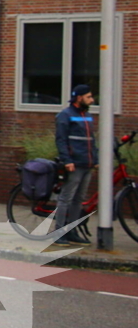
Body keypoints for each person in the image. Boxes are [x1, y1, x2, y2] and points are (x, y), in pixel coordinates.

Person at [53, 84, 97, 245]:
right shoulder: (65, 115)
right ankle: (59, 233)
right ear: (79, 98)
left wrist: (96, 160)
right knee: (66, 198)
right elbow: (61, 140)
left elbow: (92, 140)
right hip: (75, 164)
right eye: (89, 97)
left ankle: (71, 231)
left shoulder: (87, 115)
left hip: (87, 163)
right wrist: (67, 160)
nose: (92, 100)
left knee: (78, 199)